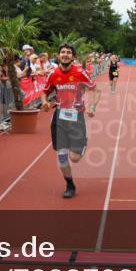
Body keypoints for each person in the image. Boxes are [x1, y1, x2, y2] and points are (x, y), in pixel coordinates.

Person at [40, 43, 100, 199]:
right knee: (62, 158)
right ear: (58, 55)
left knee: (75, 158)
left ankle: (82, 143)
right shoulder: (53, 74)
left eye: (68, 52)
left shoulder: (80, 73)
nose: (65, 54)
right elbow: (44, 92)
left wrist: (92, 106)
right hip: (59, 118)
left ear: (73, 56)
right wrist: (45, 102)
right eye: (62, 52)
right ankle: (70, 184)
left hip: (76, 117)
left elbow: (95, 90)